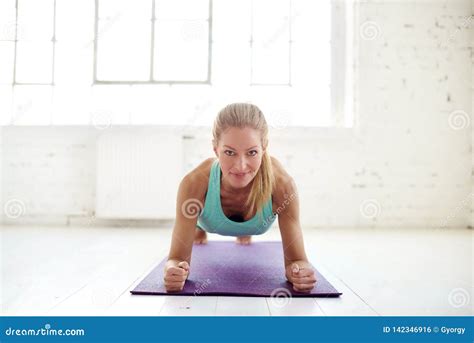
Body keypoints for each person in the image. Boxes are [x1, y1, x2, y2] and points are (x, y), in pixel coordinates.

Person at [164, 103, 316, 293]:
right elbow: (176, 259)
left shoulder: (283, 185)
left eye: (252, 152)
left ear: (264, 148)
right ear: (215, 149)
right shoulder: (194, 184)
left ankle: (244, 230)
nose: (241, 166)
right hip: (207, 222)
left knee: (247, 224)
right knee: (197, 232)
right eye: (229, 152)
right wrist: (174, 270)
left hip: (257, 220)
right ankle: (200, 228)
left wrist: (299, 272)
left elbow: (297, 261)